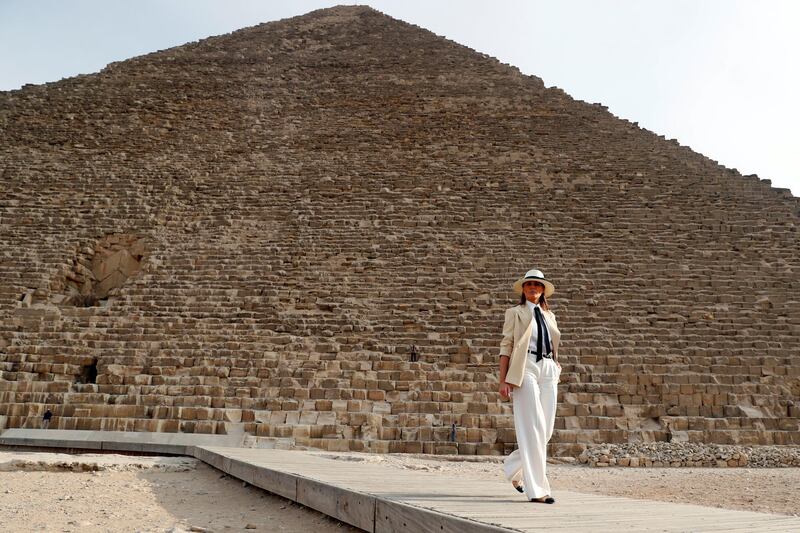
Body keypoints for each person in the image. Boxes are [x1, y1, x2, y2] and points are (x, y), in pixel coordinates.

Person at [498, 269, 561, 504]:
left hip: (547, 369)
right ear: (523, 289)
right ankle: (537, 490)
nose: (533, 287)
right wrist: (503, 379)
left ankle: (514, 465)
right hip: (525, 369)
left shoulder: (550, 315)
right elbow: (507, 345)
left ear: (543, 289)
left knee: (546, 430)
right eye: (529, 284)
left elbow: (554, 342)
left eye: (537, 284)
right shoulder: (514, 313)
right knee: (532, 427)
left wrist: (556, 365)